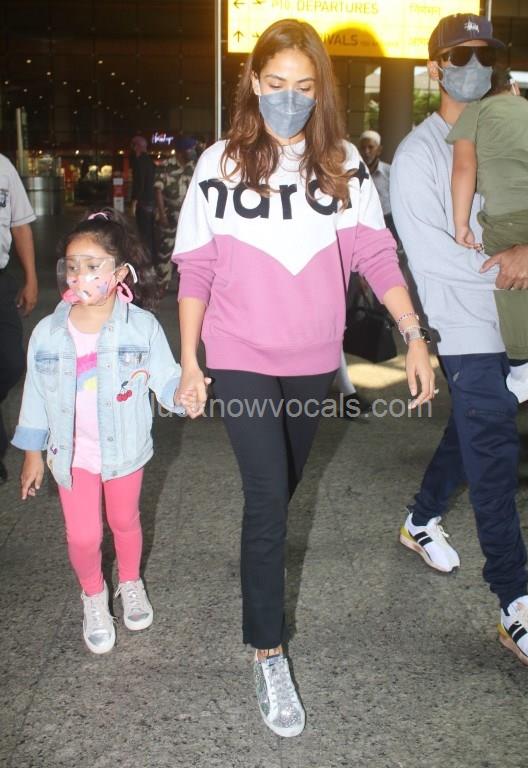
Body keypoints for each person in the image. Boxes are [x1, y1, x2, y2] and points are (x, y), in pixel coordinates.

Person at [172, 18, 435, 737]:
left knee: (280, 493)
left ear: (322, 91)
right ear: (253, 82)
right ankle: (267, 651)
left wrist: (413, 335)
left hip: (314, 357)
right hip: (238, 352)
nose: (289, 98)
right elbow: (196, 267)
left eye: (304, 86)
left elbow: (375, 254)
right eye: (276, 83)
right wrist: (190, 359)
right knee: (267, 498)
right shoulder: (219, 163)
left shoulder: (342, 164)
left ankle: (258, 563)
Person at [391, 12, 528, 668]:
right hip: (465, 320)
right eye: (459, 56)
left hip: (518, 315)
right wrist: (525, 263)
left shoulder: (511, 123)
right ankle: (513, 603)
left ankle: (420, 519)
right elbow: (432, 257)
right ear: (434, 67)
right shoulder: (418, 154)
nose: (473, 68)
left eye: (484, 56)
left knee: (471, 426)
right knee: (492, 443)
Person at [11, 208, 187, 655]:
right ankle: (93, 594)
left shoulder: (141, 327)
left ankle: (130, 581)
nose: (80, 276)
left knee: (124, 521)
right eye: (72, 266)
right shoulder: (49, 334)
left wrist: (185, 392)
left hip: (124, 450)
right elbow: (36, 392)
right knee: (83, 536)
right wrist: (32, 452)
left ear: (120, 272)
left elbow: (166, 378)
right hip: (72, 455)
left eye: (92, 266)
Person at [448, 68, 528, 403]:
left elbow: (464, 167)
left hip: (511, 218)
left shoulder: (475, 112)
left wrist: (461, 224)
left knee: (507, 272)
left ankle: (521, 369)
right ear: (515, 87)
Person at [0, 153, 38, 484]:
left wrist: (31, 278)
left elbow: (20, 224)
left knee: (12, 362)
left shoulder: (3, 167)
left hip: (0, 279)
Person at [154, 135, 197, 293]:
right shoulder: (166, 166)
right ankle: (162, 285)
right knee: (165, 251)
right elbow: (158, 191)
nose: (192, 152)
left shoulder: (194, 167)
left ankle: (184, 286)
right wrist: (162, 215)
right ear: (180, 151)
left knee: (188, 252)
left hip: (189, 217)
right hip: (169, 214)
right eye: (189, 149)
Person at [359, 130, 394, 234]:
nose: (366, 151)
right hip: (365, 223)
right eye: (363, 148)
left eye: (370, 147)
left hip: (388, 221)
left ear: (379, 150)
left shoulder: (390, 172)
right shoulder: (354, 174)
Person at [130, 135, 156, 262]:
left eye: (134, 146)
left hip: (143, 202)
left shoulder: (139, 161)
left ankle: (144, 259)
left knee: (143, 232)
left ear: (137, 147)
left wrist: (134, 201)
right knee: (150, 232)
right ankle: (152, 257)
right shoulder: (150, 161)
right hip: (152, 201)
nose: (133, 149)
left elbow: (139, 182)